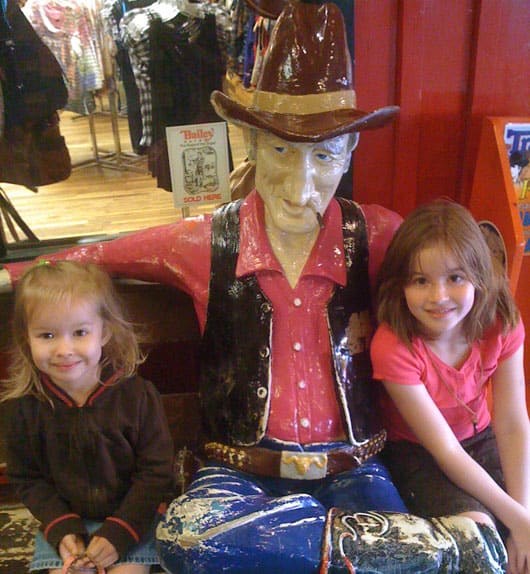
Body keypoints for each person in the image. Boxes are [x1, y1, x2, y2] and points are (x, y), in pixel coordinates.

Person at [0, 2, 509, 572]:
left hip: (355, 471)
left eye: (323, 156)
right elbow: (99, 253)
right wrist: (13, 273)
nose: (299, 187)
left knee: (229, 546)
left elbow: (464, 263)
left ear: (351, 151)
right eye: (281, 153)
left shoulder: (380, 234)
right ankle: (396, 550)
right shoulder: (203, 243)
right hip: (237, 472)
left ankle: (334, 548)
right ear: (249, 143)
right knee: (189, 538)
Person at [371, 199, 530, 574]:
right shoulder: (393, 346)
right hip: (418, 454)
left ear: (477, 275)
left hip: (481, 437)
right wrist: (515, 520)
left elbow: (511, 420)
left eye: (455, 278)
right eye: (421, 280)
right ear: (402, 285)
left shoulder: (501, 323)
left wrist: (523, 515)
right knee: (479, 537)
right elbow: (444, 450)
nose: (438, 296)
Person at [1, 261, 175, 573]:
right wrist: (62, 527)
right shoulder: (21, 408)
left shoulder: (137, 396)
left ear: (104, 332)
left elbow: (156, 473)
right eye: (47, 335)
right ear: (27, 337)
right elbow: (26, 477)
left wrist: (121, 531)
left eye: (80, 332)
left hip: (134, 520)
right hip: (66, 528)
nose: (64, 349)